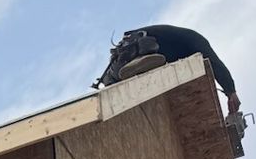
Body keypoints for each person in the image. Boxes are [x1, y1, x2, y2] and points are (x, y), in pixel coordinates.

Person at [97, 24, 239, 117]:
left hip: (116, 67)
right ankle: (137, 65)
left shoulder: (175, 46)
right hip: (132, 51)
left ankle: (129, 73)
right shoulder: (196, 40)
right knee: (154, 60)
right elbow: (214, 62)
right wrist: (230, 91)